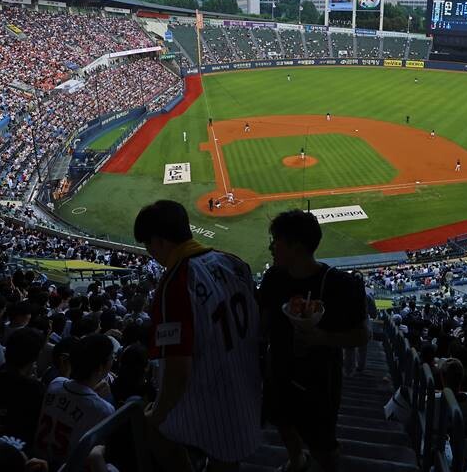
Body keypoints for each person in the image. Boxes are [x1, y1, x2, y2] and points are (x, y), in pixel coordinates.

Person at [134, 200, 262, 470]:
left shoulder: (175, 283)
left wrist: (157, 414)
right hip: (248, 390)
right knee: (227, 459)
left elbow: (178, 370)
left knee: (152, 427)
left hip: (211, 401)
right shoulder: (234, 262)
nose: (150, 252)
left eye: (148, 245)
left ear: (159, 241)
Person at [258, 210, 369, 472]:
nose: (272, 247)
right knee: (282, 423)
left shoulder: (339, 284)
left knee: (323, 444)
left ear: (296, 247)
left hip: (320, 381)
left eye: (277, 241)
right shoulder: (273, 278)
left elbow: (363, 335)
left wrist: (323, 338)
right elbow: (262, 325)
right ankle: (297, 459)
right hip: (279, 371)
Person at [35, 334, 117, 470]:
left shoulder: (56, 383)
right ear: (101, 367)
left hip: (38, 463)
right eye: (111, 358)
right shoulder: (104, 409)